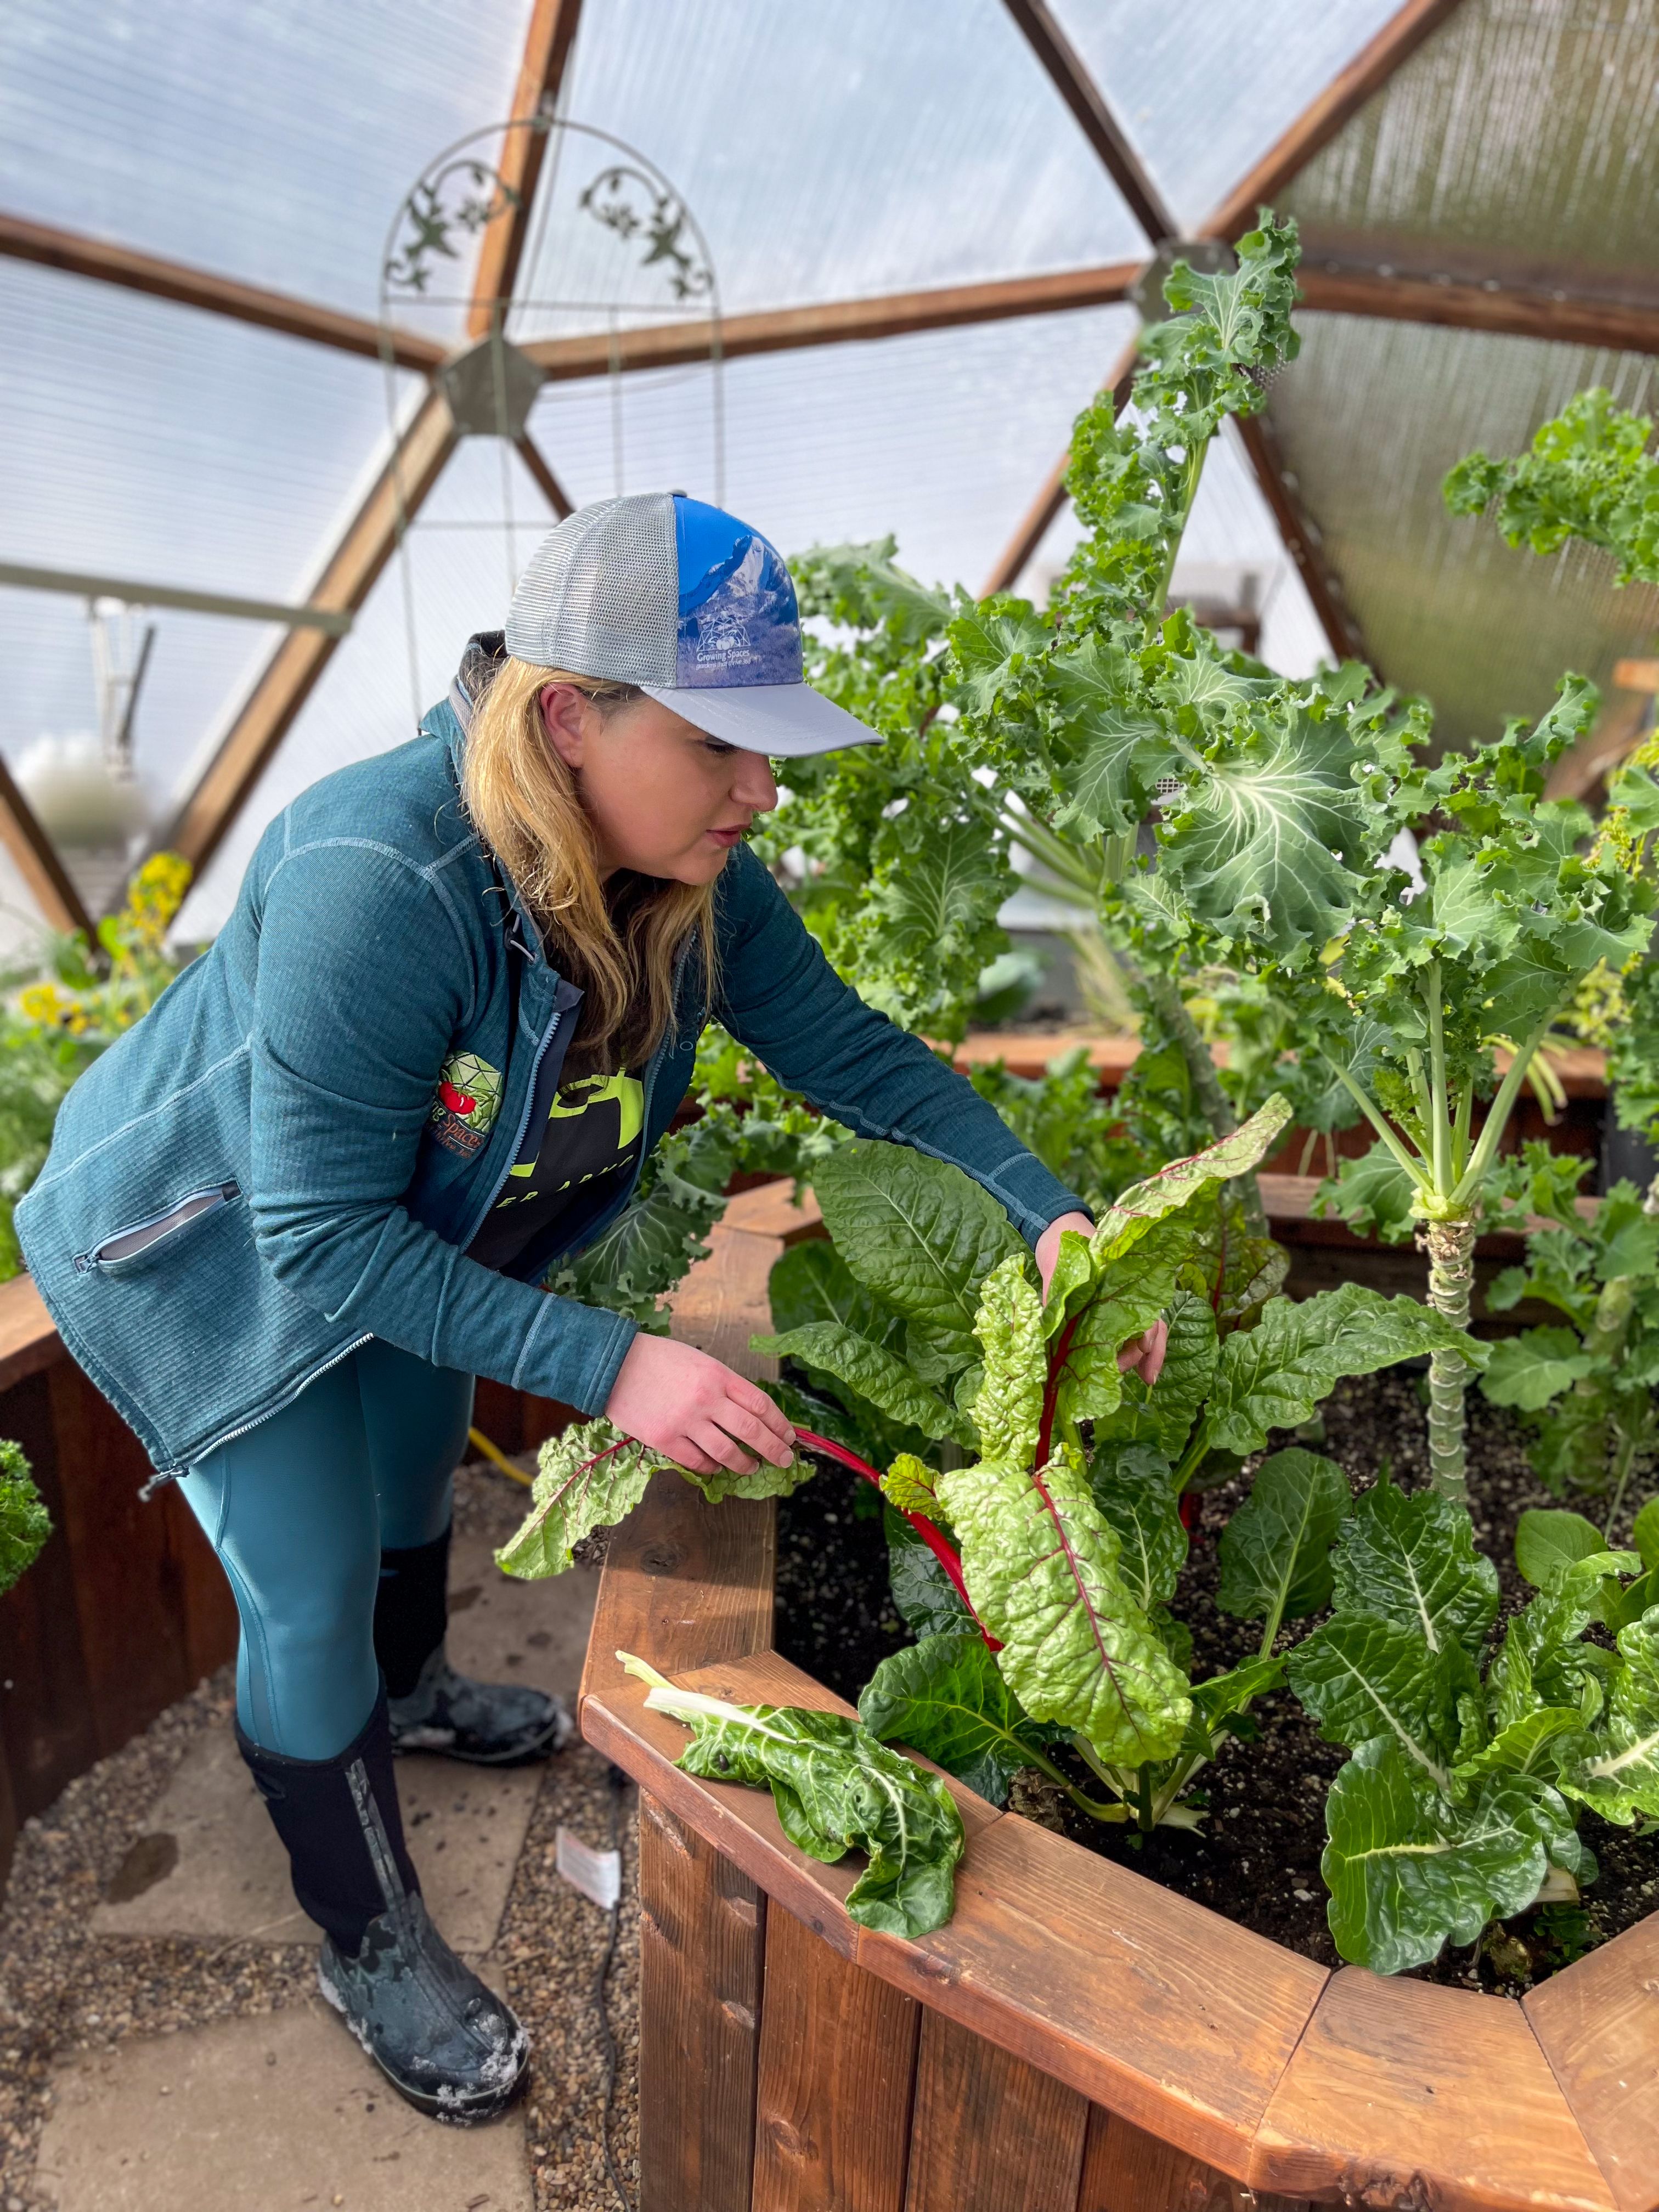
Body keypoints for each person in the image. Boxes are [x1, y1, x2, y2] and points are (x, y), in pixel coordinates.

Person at [18, 493, 1164, 2121]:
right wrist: (609, 1362)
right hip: (202, 1247)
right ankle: (367, 1939)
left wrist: (1047, 1211)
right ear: (570, 718)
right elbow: (317, 1237)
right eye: (723, 746)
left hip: (381, 1222)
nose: (761, 791)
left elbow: (855, 1054)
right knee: (310, 1579)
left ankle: (404, 1699)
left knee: (415, 1463)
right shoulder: (378, 874)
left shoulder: (678, 873)